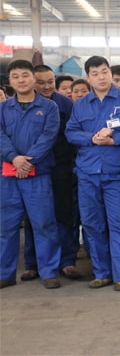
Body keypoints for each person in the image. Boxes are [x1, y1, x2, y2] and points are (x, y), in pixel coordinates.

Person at [65, 55, 120, 292]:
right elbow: (70, 132)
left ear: (110, 73)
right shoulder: (81, 104)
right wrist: (91, 138)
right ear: (88, 77)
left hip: (116, 174)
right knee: (92, 225)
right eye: (95, 74)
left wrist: (115, 140)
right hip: (87, 174)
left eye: (104, 71)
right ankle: (102, 273)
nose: (101, 77)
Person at [0, 59, 62, 290]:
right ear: (10, 81)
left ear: (33, 78)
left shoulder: (49, 107)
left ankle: (49, 272)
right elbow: (0, 136)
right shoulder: (3, 108)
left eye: (25, 75)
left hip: (38, 176)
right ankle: (5, 273)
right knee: (6, 227)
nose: (21, 80)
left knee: (44, 224)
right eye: (15, 76)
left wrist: (28, 161)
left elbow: (48, 137)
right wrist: (14, 158)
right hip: (8, 176)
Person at [21, 65, 80, 281]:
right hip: (33, 168)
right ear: (32, 82)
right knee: (33, 218)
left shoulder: (65, 104)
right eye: (41, 82)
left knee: (64, 214)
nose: (47, 86)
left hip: (61, 168)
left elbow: (74, 135)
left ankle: (67, 261)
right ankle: (32, 264)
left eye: (50, 82)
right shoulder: (25, 105)